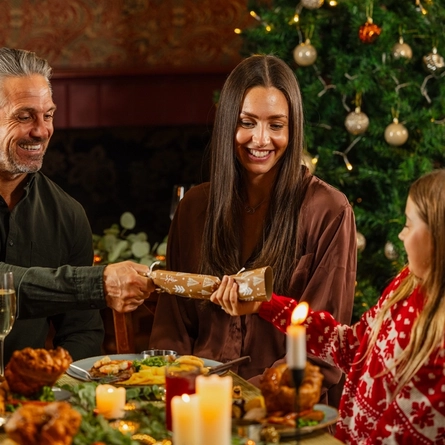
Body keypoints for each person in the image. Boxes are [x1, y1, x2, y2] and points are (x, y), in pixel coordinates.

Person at [149, 54, 357, 408]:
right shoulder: (194, 208)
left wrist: (246, 398)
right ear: (228, 122)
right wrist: (177, 391)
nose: (261, 140)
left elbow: (322, 349)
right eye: (247, 122)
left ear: (293, 129)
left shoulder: (331, 212)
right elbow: (173, 328)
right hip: (197, 401)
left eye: (276, 125)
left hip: (284, 408)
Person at [213, 169, 445, 444]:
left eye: (408, 224)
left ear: (437, 236)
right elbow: (349, 348)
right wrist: (267, 305)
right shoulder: (405, 286)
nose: (401, 235)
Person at [0, 47, 154, 364]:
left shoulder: (68, 214)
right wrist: (96, 284)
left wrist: (51, 383)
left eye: (49, 115)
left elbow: (82, 333)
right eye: (24, 116)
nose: (42, 131)